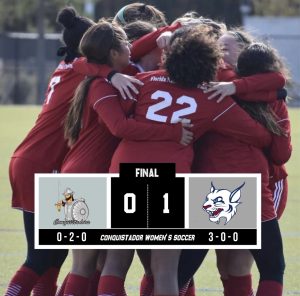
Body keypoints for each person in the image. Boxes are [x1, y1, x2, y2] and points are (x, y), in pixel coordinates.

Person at [96, 25, 272, 296]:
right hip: (170, 178)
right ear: (209, 63)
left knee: (115, 261)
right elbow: (260, 136)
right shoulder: (211, 98)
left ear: (170, 56)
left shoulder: (145, 82)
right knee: (165, 270)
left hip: (125, 171)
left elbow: (118, 117)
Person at [60, 21, 192, 296]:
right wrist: (173, 132)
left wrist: (170, 29)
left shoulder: (114, 76)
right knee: (91, 263)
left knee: (98, 262)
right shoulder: (100, 84)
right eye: (124, 45)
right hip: (89, 177)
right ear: (112, 52)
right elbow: (119, 127)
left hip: (87, 175)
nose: (130, 49)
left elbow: (87, 61)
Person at [4, 7, 95, 296]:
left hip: (35, 160)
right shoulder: (81, 66)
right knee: (42, 255)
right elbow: (110, 65)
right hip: (39, 165)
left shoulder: (67, 65)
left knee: (55, 255)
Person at [195, 38, 291, 295]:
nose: (220, 53)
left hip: (258, 184)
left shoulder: (231, 88)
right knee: (229, 263)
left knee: (234, 261)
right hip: (237, 183)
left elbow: (277, 82)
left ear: (244, 52)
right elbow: (278, 83)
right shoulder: (221, 83)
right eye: (217, 48)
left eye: (226, 48)